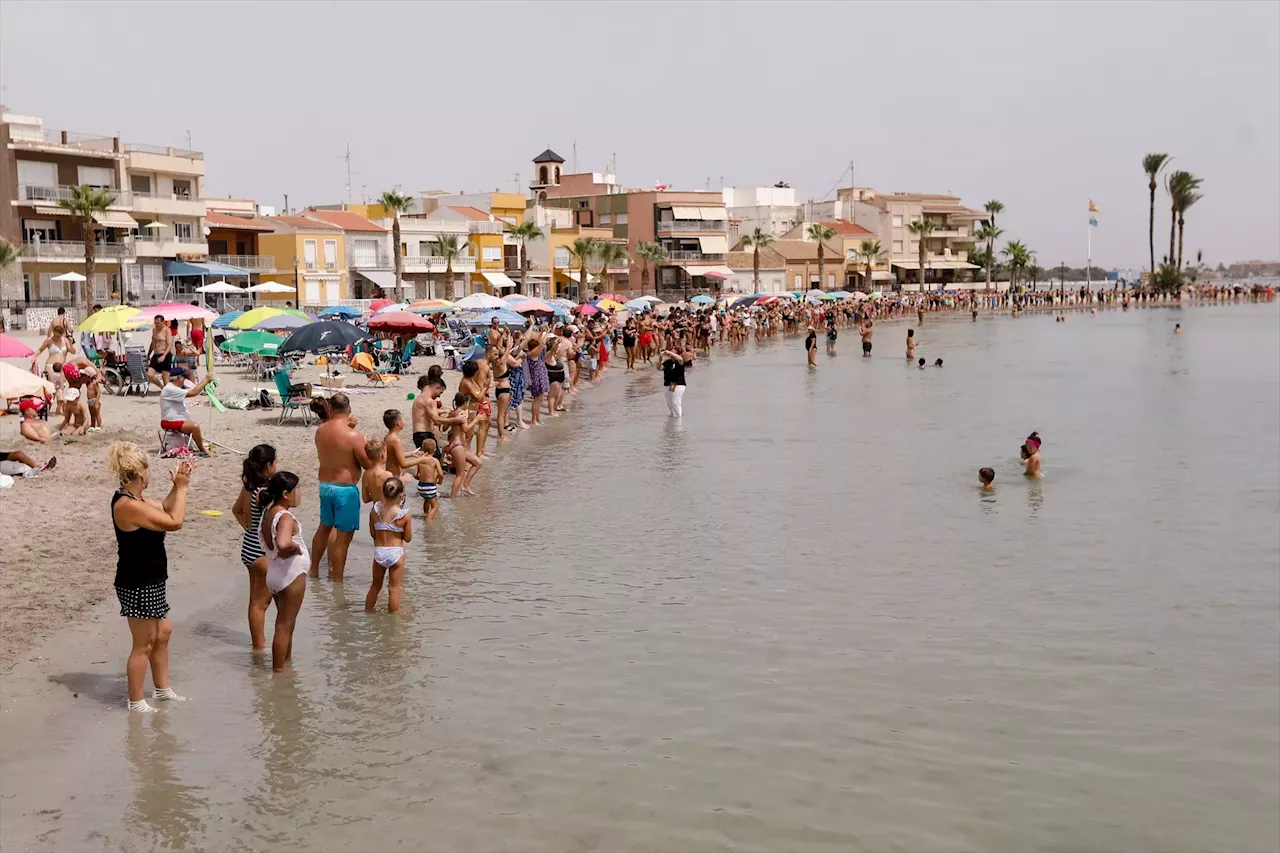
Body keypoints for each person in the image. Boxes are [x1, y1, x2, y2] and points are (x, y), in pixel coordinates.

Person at [107, 442, 194, 712]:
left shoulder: (137, 499)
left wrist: (179, 485)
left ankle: (162, 690)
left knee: (163, 633)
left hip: (153, 577)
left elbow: (167, 507)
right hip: (136, 581)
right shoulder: (125, 505)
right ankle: (135, 702)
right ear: (141, 474)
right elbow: (175, 522)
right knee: (143, 643)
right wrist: (182, 489)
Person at [308, 393, 369, 583]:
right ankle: (338, 581)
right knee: (343, 538)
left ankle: (314, 569)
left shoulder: (320, 430)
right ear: (349, 409)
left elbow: (335, 446)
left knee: (324, 528)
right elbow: (367, 464)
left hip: (325, 486)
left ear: (331, 409)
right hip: (345, 490)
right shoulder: (354, 436)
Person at [259, 472, 308, 672]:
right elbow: (282, 543)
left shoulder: (268, 513)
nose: (300, 493)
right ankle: (278, 674)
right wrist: (295, 549)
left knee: (287, 624)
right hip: (291, 575)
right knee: (284, 626)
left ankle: (285, 668)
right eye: (298, 489)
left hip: (275, 573)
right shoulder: (285, 517)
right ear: (286, 494)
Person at [232, 443, 277, 653]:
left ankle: (257, 645)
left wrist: (250, 529)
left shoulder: (249, 486)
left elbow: (237, 510)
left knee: (254, 602)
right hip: (261, 553)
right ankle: (259, 647)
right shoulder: (266, 490)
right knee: (261, 604)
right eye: (275, 462)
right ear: (268, 465)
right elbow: (272, 522)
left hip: (248, 549)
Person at [366, 477, 412, 613]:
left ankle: (368, 610)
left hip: (380, 552)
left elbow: (372, 533)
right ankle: (393, 617)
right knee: (394, 589)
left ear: (383, 493)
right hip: (396, 553)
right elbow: (408, 538)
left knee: (375, 586)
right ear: (401, 496)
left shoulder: (375, 511)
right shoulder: (404, 515)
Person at [159, 368, 214, 455]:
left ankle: (200, 444)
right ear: (180, 378)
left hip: (175, 420)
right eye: (184, 377)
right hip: (169, 422)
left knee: (193, 427)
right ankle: (203, 449)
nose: (185, 380)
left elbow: (193, 391)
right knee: (195, 427)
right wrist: (205, 380)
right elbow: (193, 392)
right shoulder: (170, 389)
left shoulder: (172, 388)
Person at [445, 393, 484, 498]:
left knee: (477, 463)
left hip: (455, 445)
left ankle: (466, 485)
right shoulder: (462, 414)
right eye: (468, 402)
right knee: (460, 474)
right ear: (465, 403)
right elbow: (466, 429)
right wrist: (476, 419)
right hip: (457, 446)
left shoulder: (452, 413)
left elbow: (444, 428)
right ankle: (452, 498)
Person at [381, 408, 422, 477]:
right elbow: (403, 464)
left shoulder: (387, 437)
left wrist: (412, 453)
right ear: (398, 423)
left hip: (391, 475)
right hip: (396, 476)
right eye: (401, 420)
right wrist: (421, 460)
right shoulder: (396, 440)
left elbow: (394, 456)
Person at [414, 437, 443, 520]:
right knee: (435, 506)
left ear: (423, 449)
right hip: (430, 486)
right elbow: (441, 474)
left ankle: (426, 514)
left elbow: (415, 474)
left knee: (427, 499)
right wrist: (440, 481)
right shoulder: (435, 460)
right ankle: (428, 522)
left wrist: (421, 478)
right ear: (434, 450)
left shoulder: (420, 460)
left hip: (420, 486)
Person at [659, 347, 691, 417]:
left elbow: (679, 358)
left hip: (678, 383)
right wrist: (660, 360)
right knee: (669, 403)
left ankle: (678, 422)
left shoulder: (680, 361)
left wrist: (668, 352)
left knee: (676, 403)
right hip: (669, 384)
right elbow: (660, 368)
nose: (670, 355)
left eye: (673, 353)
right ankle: (673, 416)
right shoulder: (668, 362)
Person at [360, 438, 393, 504]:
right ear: (383, 455)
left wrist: (375, 495)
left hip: (375, 511)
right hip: (387, 511)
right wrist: (402, 481)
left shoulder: (366, 474)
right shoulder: (387, 475)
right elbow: (392, 495)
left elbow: (365, 499)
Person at [147, 315, 173, 388]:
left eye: (158, 323)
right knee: (150, 375)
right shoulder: (154, 330)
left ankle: (167, 392)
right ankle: (162, 387)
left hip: (165, 355)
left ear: (163, 322)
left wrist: (164, 355)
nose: (156, 325)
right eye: (155, 323)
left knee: (165, 377)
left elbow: (169, 344)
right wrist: (148, 354)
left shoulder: (167, 330)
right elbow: (153, 343)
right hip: (156, 354)